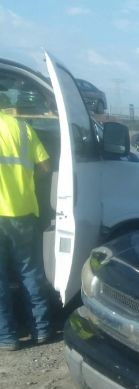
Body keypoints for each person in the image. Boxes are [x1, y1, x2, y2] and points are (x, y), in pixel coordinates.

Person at [0, 111, 52, 351]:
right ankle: (41, 329)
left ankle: (7, 337)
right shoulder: (22, 128)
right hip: (23, 211)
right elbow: (46, 166)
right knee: (30, 273)